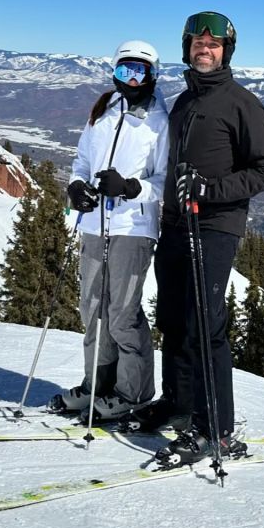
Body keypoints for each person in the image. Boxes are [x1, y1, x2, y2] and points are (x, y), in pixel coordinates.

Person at [124, 11, 264, 467]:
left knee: (204, 325)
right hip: (175, 223)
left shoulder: (242, 104)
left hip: (214, 228)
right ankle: (178, 403)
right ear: (187, 49)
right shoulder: (184, 102)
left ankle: (216, 430)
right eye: (197, 44)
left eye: (213, 45)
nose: (204, 50)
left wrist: (212, 190)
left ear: (226, 51)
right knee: (172, 317)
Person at [48, 40, 169, 421]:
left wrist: (132, 188)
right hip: (95, 223)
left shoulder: (160, 122)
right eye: (123, 71)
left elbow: (165, 179)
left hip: (133, 228)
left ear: (153, 74)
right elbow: (81, 160)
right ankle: (96, 385)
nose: (131, 79)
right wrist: (76, 185)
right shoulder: (103, 110)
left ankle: (132, 392)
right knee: (92, 308)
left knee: (122, 313)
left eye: (140, 71)